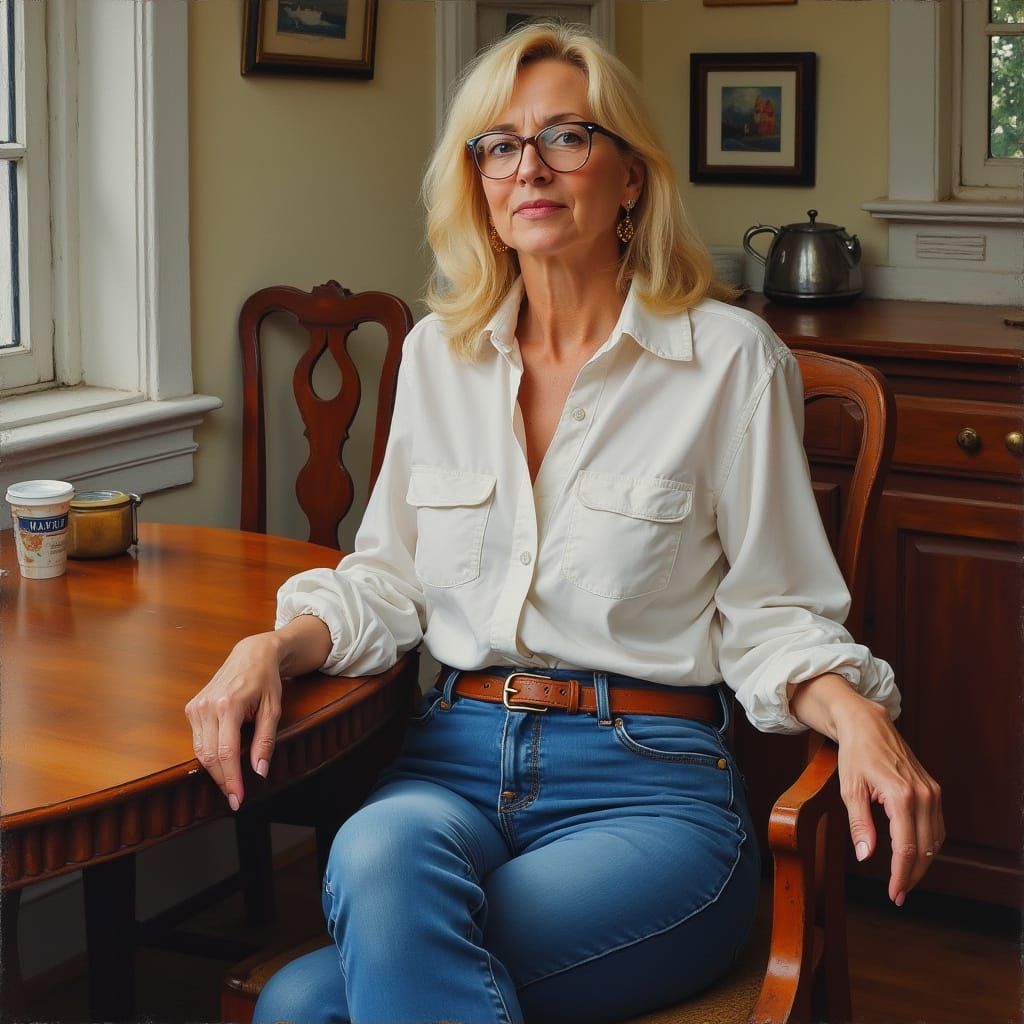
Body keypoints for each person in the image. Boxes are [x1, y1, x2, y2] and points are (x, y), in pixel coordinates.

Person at [185, 22, 943, 1024]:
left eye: (565, 138)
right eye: (499, 145)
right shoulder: (436, 358)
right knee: (373, 853)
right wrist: (271, 646)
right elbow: (388, 580)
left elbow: (776, 611)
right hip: (449, 755)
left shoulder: (727, 359)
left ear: (630, 175)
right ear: (478, 186)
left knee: (299, 1006)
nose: (528, 167)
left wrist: (860, 715)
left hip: (650, 784)